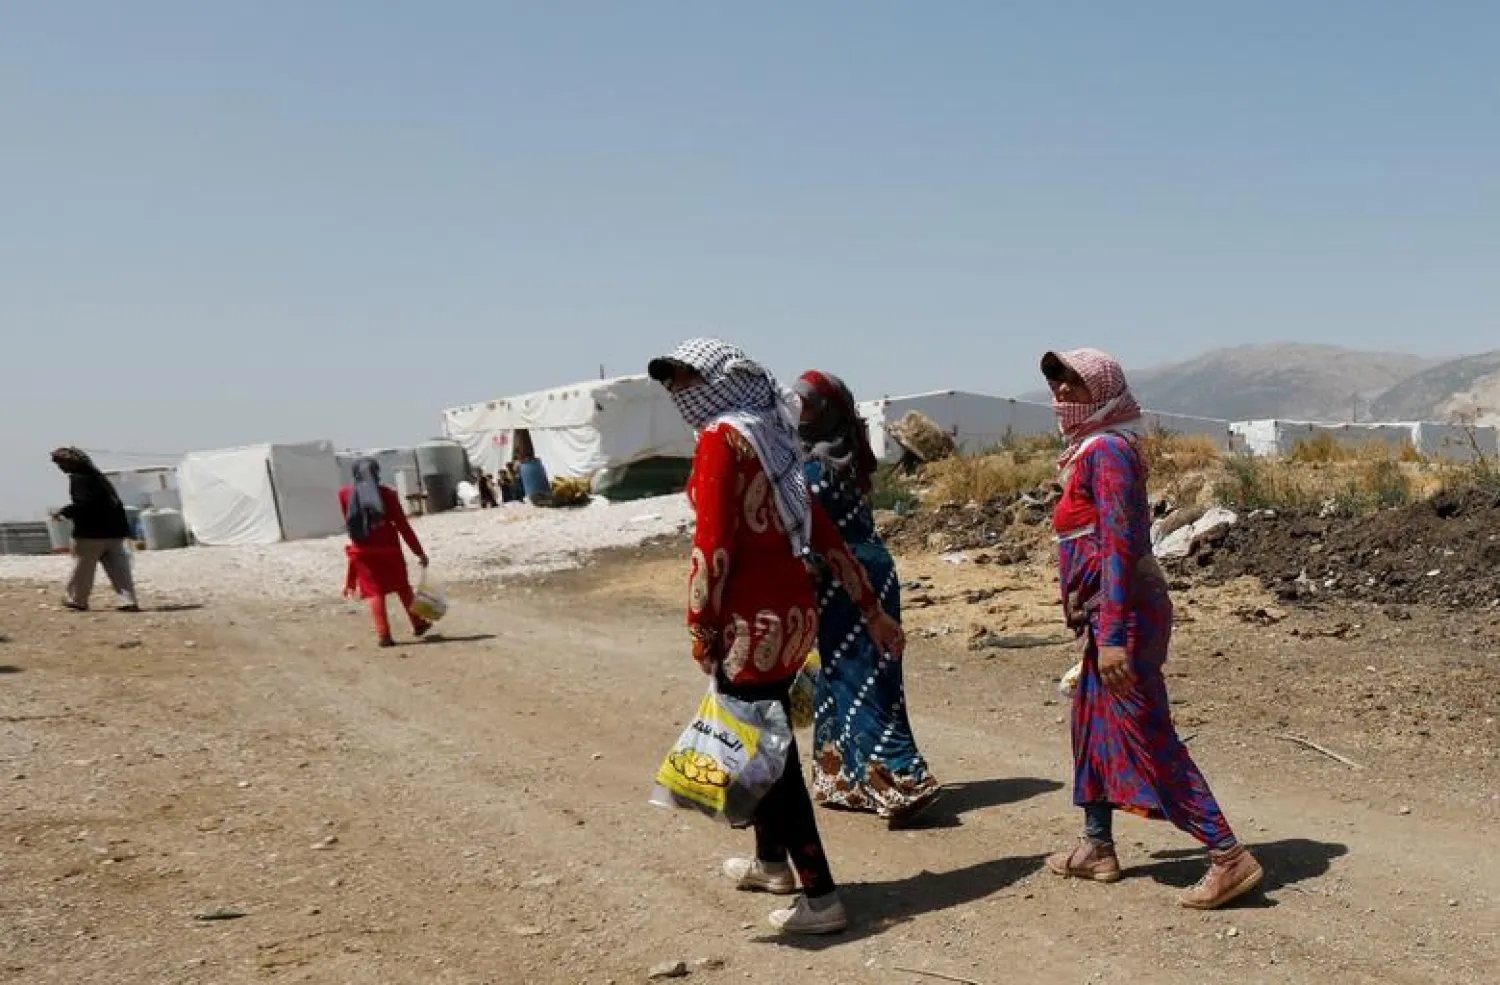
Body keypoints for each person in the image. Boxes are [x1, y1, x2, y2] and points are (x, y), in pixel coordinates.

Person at [648, 339, 906, 937]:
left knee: (769, 753)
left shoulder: (722, 439)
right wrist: (870, 608)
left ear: (722, 380)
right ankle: (771, 865)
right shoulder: (774, 434)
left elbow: (711, 547)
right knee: (768, 728)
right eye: (673, 384)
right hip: (792, 616)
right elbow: (819, 530)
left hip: (746, 623)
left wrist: (700, 625)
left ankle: (820, 894)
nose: (680, 393)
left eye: (687, 380)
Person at [1041, 348, 1262, 909]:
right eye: (1057, 383)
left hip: (1126, 615)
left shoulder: (1110, 452)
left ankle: (1228, 855)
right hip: (1104, 613)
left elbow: (1119, 545)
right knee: (1090, 721)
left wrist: (1112, 633)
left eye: (1073, 385)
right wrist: (1081, 604)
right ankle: (1096, 846)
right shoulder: (1085, 450)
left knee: (1143, 731)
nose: (1061, 394)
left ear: (1103, 392)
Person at [793, 371, 940, 827]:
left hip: (849, 576)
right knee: (841, 670)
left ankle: (903, 780)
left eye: (809, 404)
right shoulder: (843, 455)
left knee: (861, 677)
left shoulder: (818, 467)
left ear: (829, 411)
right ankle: (843, 779)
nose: (799, 412)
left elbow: (817, 533)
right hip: (863, 569)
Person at [339, 458, 432, 648]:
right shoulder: (387, 494)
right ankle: (418, 623)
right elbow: (402, 526)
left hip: (363, 552)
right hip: (390, 550)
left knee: (374, 592)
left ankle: (384, 635)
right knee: (403, 587)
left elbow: (349, 523)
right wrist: (419, 552)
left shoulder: (344, 494)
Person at [50, 447, 139, 612]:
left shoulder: (79, 479)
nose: (60, 467)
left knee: (83, 569)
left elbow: (85, 504)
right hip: (114, 532)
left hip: (90, 534)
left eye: (61, 463)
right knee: (120, 570)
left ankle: (77, 599)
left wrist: (65, 512)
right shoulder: (100, 479)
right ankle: (128, 601)